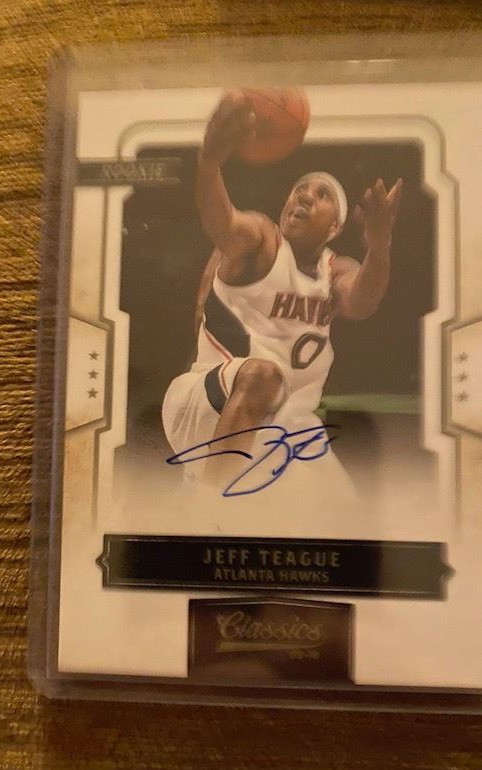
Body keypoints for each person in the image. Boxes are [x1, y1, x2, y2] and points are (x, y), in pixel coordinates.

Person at [162, 91, 402, 495]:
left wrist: (379, 246)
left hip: (285, 426)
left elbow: (362, 301)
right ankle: (207, 509)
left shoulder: (335, 269)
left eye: (322, 195)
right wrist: (209, 164)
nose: (305, 194)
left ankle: (202, 489)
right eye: (300, 188)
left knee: (343, 516)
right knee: (264, 375)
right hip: (207, 399)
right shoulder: (263, 239)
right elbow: (223, 223)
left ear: (334, 227)